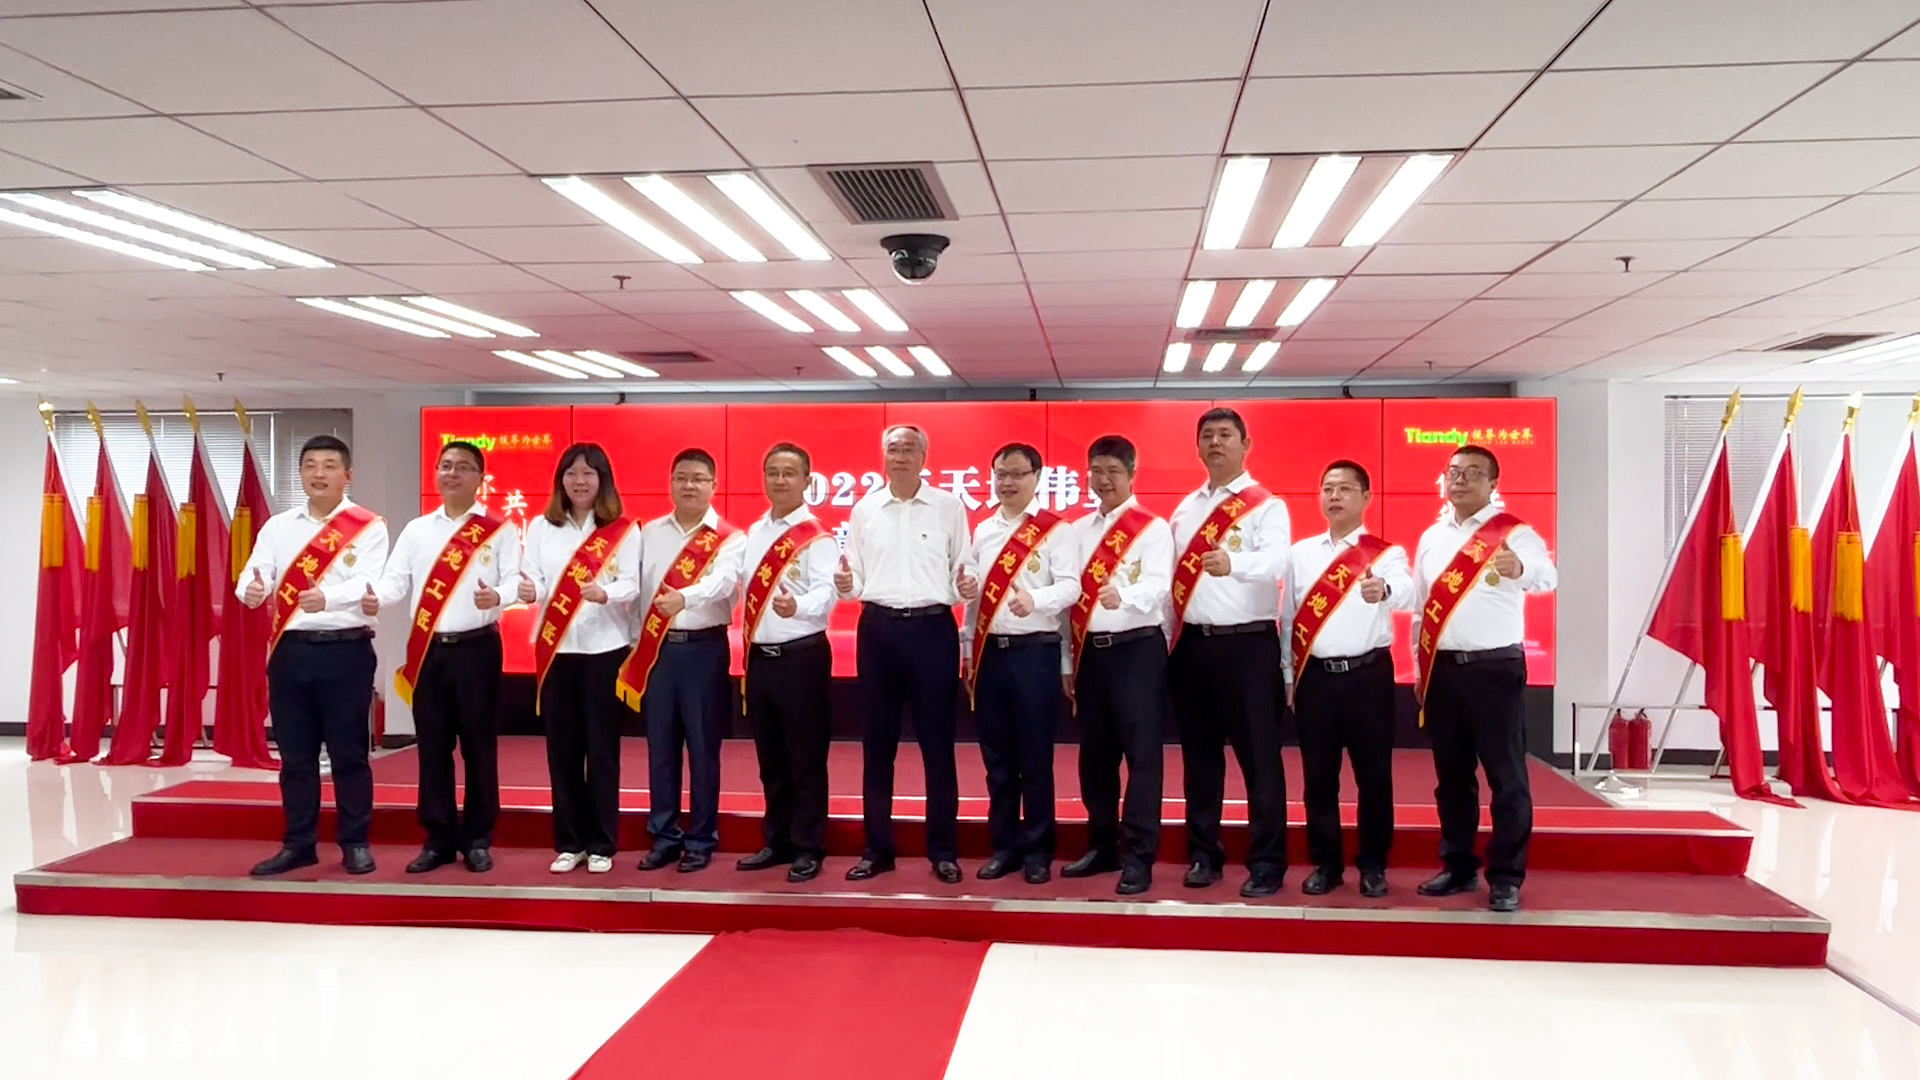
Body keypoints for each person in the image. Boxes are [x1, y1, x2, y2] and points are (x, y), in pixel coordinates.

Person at [1413, 445, 1557, 913]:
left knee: (1506, 778)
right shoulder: (1431, 537)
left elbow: (1548, 577)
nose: (1459, 480)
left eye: (1472, 473)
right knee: (1452, 779)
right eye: (1453, 472)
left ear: (1493, 484)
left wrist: (1521, 568)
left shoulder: (1514, 533)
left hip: (1495, 670)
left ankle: (1506, 877)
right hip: (1443, 672)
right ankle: (1458, 866)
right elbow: (1421, 610)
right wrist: (1420, 667)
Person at [238, 435, 389, 877]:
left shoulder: (368, 527)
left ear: (347, 475)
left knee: (349, 754)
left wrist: (329, 598)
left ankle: (355, 843)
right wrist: (251, 589)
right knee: (296, 757)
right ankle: (299, 844)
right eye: (309, 466)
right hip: (291, 652)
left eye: (328, 465)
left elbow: (368, 581)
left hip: (346, 650)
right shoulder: (278, 527)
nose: (318, 474)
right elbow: (256, 571)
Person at [368, 440, 519, 874]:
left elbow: (515, 580)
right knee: (432, 747)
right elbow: (395, 581)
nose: (453, 473)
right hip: (429, 650)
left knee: (478, 747)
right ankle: (438, 839)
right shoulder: (417, 530)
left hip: (478, 649)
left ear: (480, 478)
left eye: (464, 467)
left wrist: (499, 596)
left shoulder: (499, 530)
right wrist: (374, 597)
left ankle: (477, 839)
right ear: (436, 472)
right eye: (446, 465)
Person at [834, 424, 971, 884]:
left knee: (938, 746)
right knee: (878, 745)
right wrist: (845, 585)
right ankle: (877, 849)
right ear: (883, 456)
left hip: (933, 630)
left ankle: (943, 851)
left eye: (909, 449)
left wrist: (966, 584)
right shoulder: (865, 509)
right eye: (893, 448)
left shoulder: (949, 507)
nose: (900, 456)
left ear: (924, 457)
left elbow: (962, 570)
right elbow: (854, 577)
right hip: (879, 631)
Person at [1167, 407, 1291, 897]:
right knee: (1200, 762)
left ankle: (1267, 863)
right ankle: (1204, 854)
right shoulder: (1185, 510)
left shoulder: (1267, 506)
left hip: (1248, 648)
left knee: (1260, 760)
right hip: (1193, 647)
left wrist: (1233, 563)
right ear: (1198, 447)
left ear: (1245, 444)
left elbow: (1277, 562)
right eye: (1207, 435)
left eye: (1225, 434)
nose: (1215, 442)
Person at [1282, 460, 1413, 898]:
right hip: (1315, 678)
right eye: (1328, 488)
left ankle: (1373, 865)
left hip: (1367, 677)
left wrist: (1384, 590)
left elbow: (1407, 591)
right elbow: (1289, 618)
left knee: (1373, 775)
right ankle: (1327, 864)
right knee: (1319, 777)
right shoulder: (1301, 553)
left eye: (1344, 489)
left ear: (1366, 497)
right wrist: (1288, 672)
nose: (1334, 496)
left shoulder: (1385, 554)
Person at [959, 443, 1079, 885]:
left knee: (1035, 759)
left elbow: (1070, 587)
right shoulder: (983, 530)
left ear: (1036, 477)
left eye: (1016, 474)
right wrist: (968, 652)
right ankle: (1005, 847)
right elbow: (974, 601)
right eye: (1000, 474)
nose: (1006, 482)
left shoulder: (1056, 531)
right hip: (991, 654)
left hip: (1035, 653)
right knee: (998, 759)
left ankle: (1039, 851)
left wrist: (1036, 599)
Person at [621, 448, 744, 873]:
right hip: (657, 651)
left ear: (713, 486)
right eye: (681, 478)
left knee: (704, 748)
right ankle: (664, 834)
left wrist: (684, 598)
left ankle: (701, 838)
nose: (689, 486)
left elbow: (723, 583)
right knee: (661, 747)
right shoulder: (648, 533)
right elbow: (636, 594)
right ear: (671, 483)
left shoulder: (731, 538)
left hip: (704, 650)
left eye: (698, 479)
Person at [521, 443, 640, 875]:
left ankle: (602, 843)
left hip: (603, 650)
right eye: (571, 474)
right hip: (557, 652)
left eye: (589, 473)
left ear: (603, 480)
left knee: (602, 751)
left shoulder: (622, 530)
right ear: (561, 481)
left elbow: (632, 583)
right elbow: (534, 576)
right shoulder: (541, 526)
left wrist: (605, 592)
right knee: (563, 751)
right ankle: (570, 843)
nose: (580, 481)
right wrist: (530, 589)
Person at [1062, 435, 1172, 896]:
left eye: (1113, 471)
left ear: (1131, 474)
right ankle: (1102, 845)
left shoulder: (1152, 528)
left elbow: (1160, 585)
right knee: (1096, 755)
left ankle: (1140, 856)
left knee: (1142, 756)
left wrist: (1123, 595)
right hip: (1091, 653)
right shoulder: (1076, 531)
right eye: (1096, 471)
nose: (1103, 480)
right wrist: (1067, 661)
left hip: (1137, 651)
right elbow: (1068, 602)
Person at [737, 443, 841, 883]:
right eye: (773, 472)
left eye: (789, 473)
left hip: (802, 657)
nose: (780, 480)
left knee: (806, 758)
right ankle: (776, 840)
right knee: (771, 759)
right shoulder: (754, 532)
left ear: (806, 481)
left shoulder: (817, 536)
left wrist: (797, 606)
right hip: (761, 660)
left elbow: (827, 593)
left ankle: (808, 846)